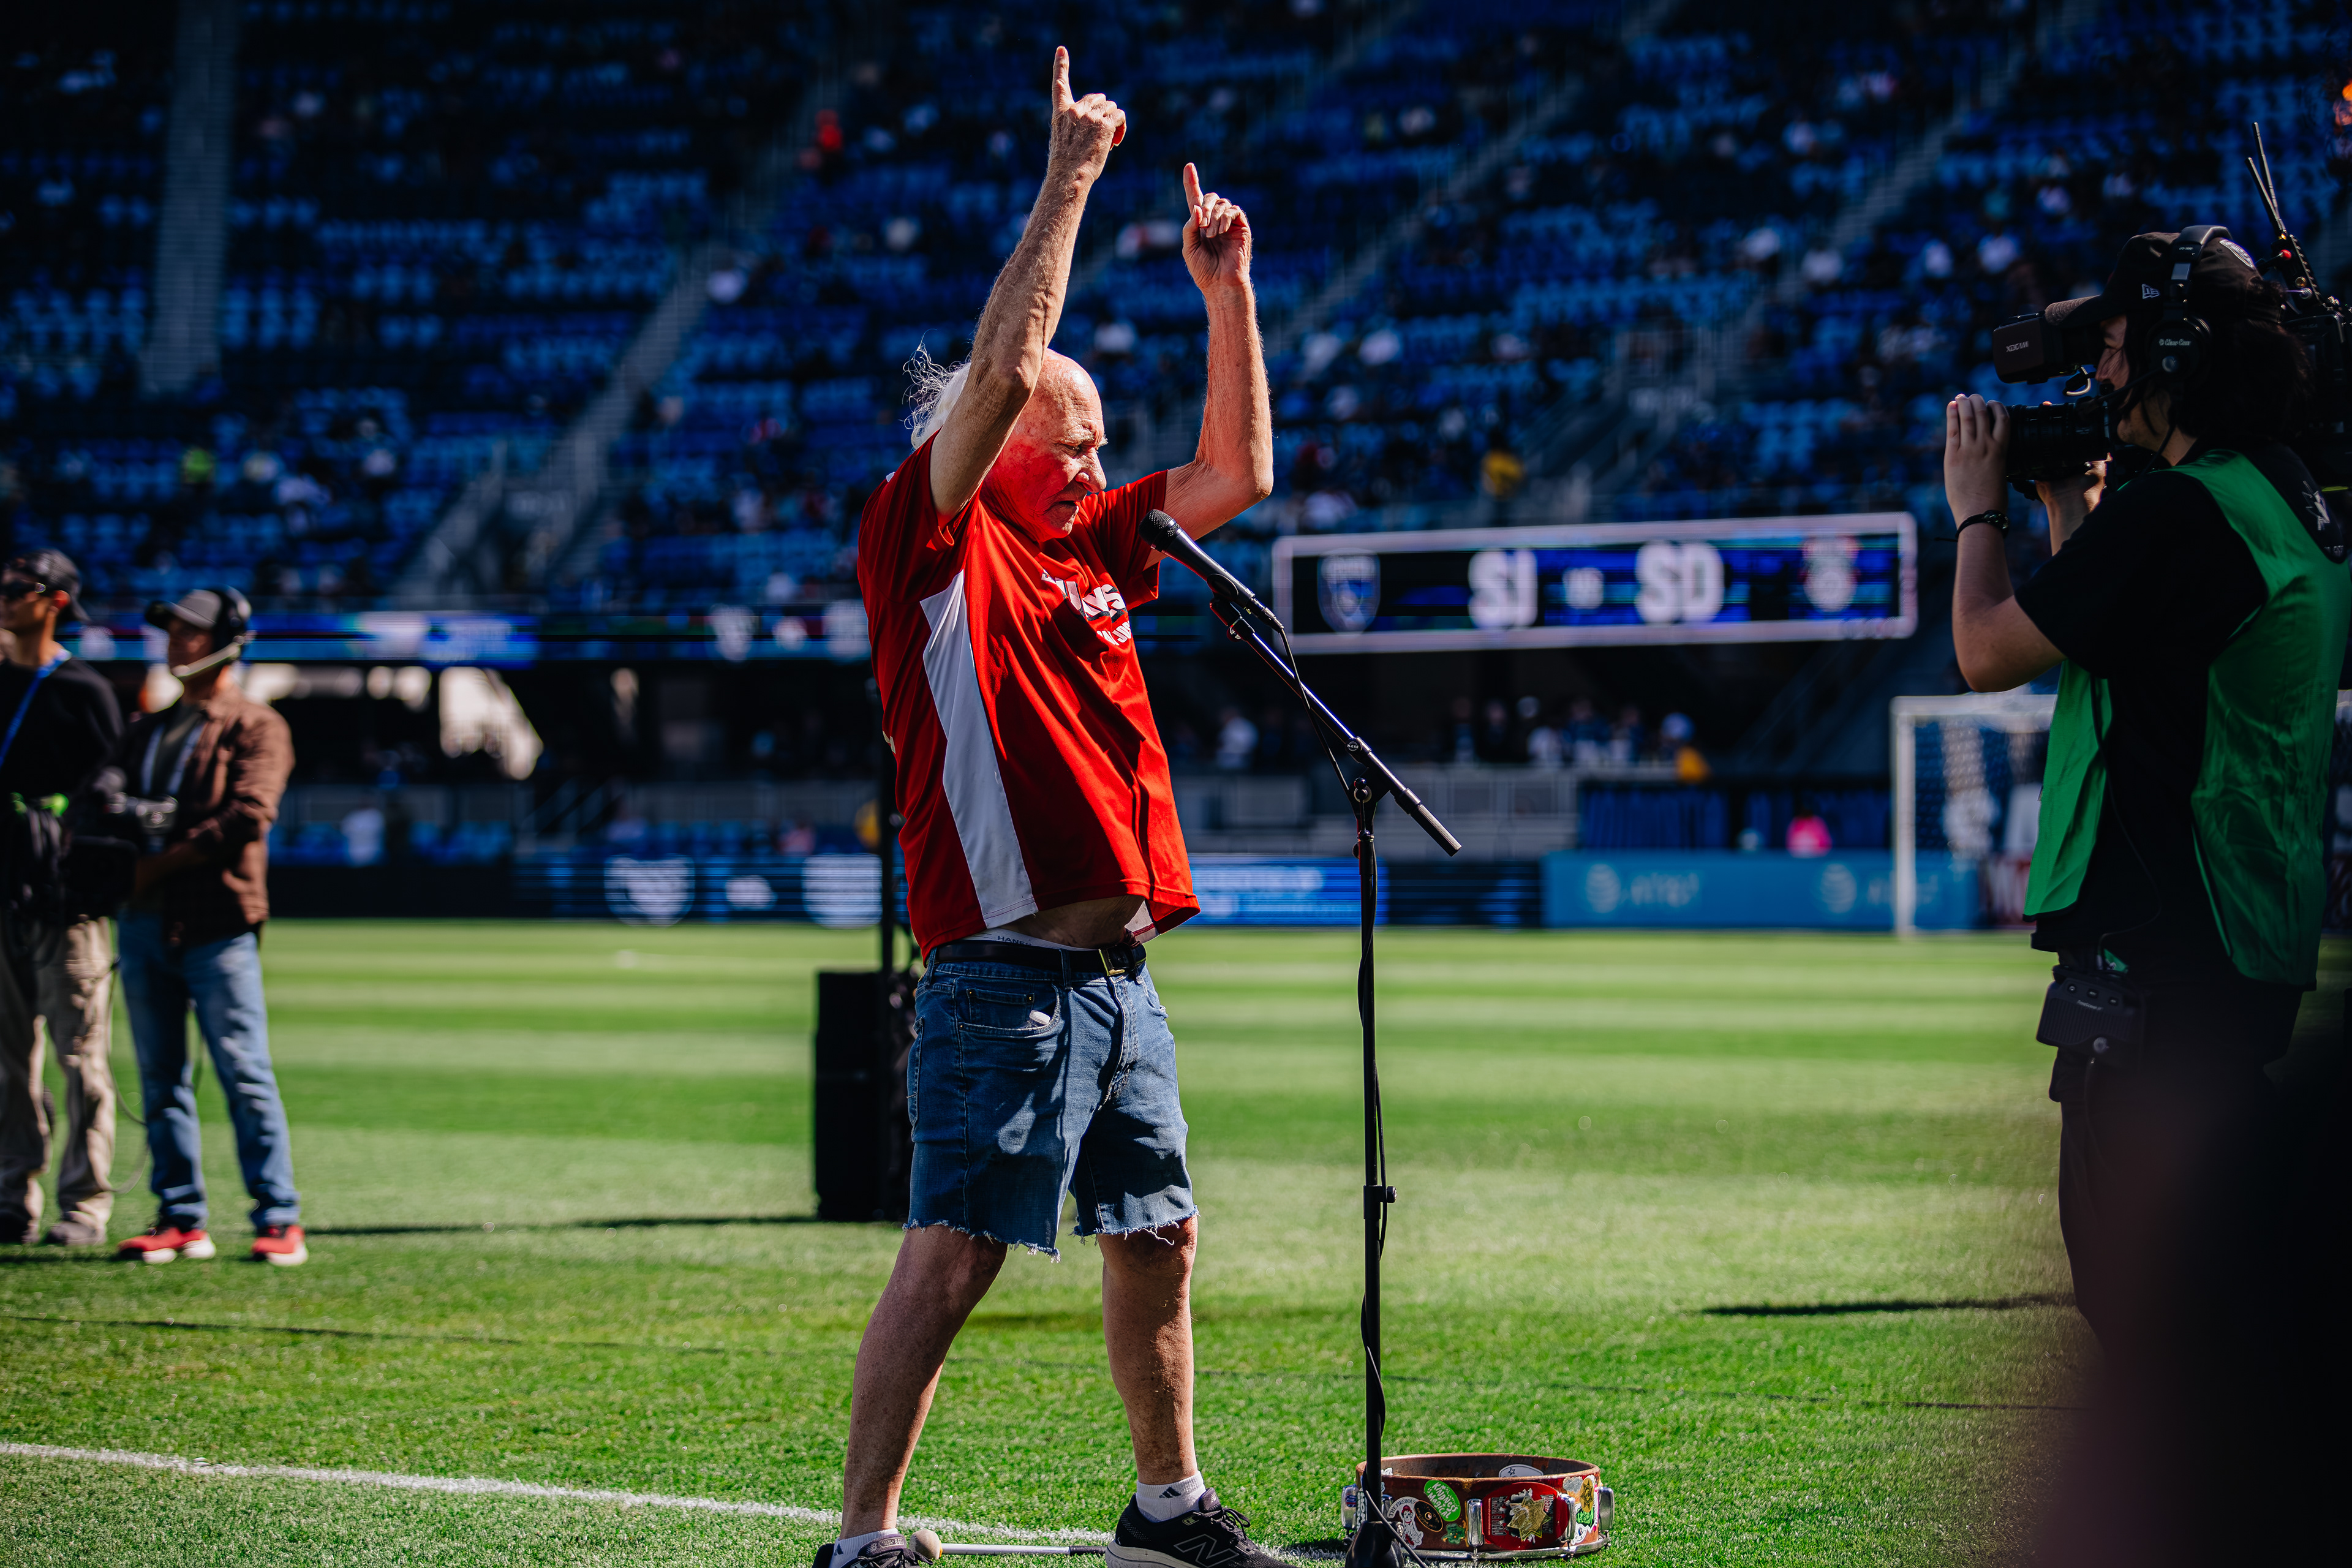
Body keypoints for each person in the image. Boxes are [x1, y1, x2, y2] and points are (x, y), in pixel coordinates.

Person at [841, 47, 1280, 1568]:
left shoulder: (1090, 540)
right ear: (993, 438)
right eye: (1071, 437)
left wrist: (1226, 295)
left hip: (1119, 972)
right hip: (1002, 978)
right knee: (956, 1250)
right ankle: (863, 1536)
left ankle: (1166, 1508)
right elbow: (1004, 368)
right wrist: (1073, 177)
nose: (1095, 458)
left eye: (1096, 442)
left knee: (1158, 1230)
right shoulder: (929, 537)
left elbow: (1235, 469)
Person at [1945, 228, 2348, 1563]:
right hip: (2235, 952)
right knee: (2220, 1322)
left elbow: (1987, 650)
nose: (2099, 375)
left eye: (2115, 349)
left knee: (2157, 1333)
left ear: (2178, 357)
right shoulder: (2279, 499)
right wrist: (2078, 514)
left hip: (2155, 973)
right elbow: (2145, 654)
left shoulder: (2182, 514)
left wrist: (1980, 510)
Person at [107, 588, 306, 1267]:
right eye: (171, 630)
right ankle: (180, 1217)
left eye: (191, 632)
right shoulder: (149, 726)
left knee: (243, 1071)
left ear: (228, 643)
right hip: (144, 921)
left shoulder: (257, 724)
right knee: (160, 1077)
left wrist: (155, 864)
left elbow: (250, 813)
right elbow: (105, 798)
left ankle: (279, 1216)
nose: (176, 641)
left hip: (216, 922)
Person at [0, 551, 125, 1246]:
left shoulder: (83, 688)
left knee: (80, 1056)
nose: (4, 598)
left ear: (54, 601)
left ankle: (84, 1203)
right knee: (7, 1058)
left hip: (64, 899)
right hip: (3, 890)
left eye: (17, 589)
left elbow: (112, 790)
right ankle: (12, 1192)